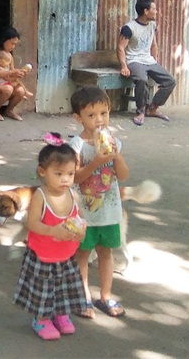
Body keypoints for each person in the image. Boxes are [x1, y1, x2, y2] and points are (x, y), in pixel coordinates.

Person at [13, 134, 88, 340]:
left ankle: (61, 314)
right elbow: (32, 223)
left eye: (70, 174)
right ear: (42, 172)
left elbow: (80, 217)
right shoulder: (41, 196)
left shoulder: (73, 194)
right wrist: (53, 231)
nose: (66, 179)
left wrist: (81, 230)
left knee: (64, 288)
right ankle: (41, 318)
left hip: (66, 254)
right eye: (59, 173)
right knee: (43, 291)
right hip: (43, 256)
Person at [69, 87, 129, 318]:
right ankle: (83, 296)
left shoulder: (115, 142)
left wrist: (116, 156)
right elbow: (75, 177)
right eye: (91, 115)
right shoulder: (76, 144)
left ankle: (106, 295)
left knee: (106, 253)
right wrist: (96, 162)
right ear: (78, 118)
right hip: (84, 213)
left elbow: (122, 176)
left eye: (103, 113)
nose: (99, 120)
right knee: (82, 255)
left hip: (109, 212)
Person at [118, 0, 175, 126]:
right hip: (134, 60)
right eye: (154, 9)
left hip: (148, 60)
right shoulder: (129, 28)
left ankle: (152, 108)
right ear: (146, 11)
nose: (156, 11)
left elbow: (154, 45)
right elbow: (120, 48)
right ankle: (140, 111)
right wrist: (124, 66)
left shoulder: (152, 25)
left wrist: (155, 61)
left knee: (170, 81)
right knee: (142, 80)